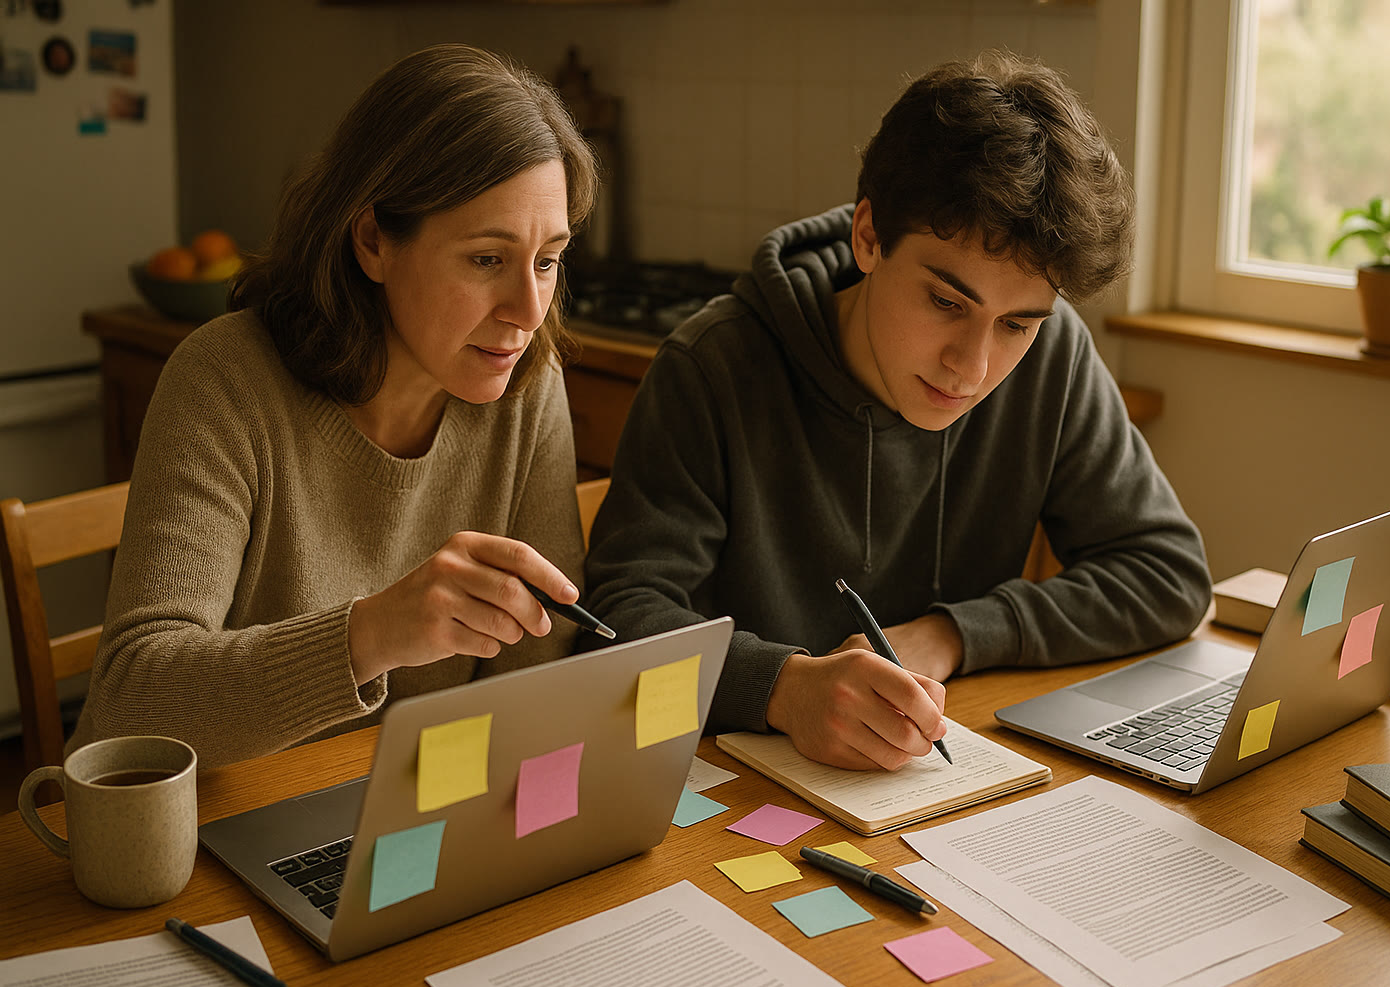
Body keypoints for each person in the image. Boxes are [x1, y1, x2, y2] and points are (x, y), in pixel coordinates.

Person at [582, 52, 1212, 772]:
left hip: (939, 785)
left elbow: (1167, 573)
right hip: (735, 800)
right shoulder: (714, 366)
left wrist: (951, 634)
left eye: (1017, 324)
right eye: (947, 303)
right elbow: (615, 625)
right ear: (868, 236)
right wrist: (783, 690)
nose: (973, 368)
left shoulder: (1053, 352)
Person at [69, 44, 599, 768]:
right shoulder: (226, 381)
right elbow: (132, 701)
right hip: (211, 830)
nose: (528, 310)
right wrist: (371, 633)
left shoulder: (528, 383)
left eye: (548, 260)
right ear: (375, 240)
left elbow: (538, 665)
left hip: (408, 811)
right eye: (486, 260)